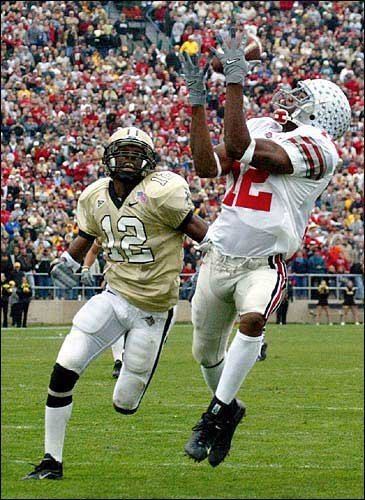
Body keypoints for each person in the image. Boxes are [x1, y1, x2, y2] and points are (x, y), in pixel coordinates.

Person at [179, 27, 351, 467]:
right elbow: (207, 164)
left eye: (302, 97)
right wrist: (197, 100)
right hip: (218, 258)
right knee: (204, 351)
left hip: (263, 263)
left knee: (253, 318)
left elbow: (240, 146)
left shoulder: (320, 148)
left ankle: (214, 415)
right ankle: (229, 408)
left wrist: (234, 78)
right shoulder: (263, 125)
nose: (291, 99)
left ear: (321, 112)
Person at [24, 126, 208, 480]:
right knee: (64, 368)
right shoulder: (94, 195)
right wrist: (65, 264)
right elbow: (85, 238)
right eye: (121, 152)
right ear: (108, 156)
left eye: (135, 152)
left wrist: (214, 265)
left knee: (125, 403)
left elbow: (204, 233)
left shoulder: (163, 192)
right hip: (114, 295)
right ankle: (51, 460)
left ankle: (128, 377)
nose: (127, 159)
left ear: (149, 161)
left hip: (153, 311)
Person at [81, 239, 124, 378]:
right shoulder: (107, 229)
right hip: (114, 284)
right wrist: (86, 268)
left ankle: (126, 360)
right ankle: (119, 360)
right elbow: (93, 250)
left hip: (138, 285)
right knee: (115, 323)